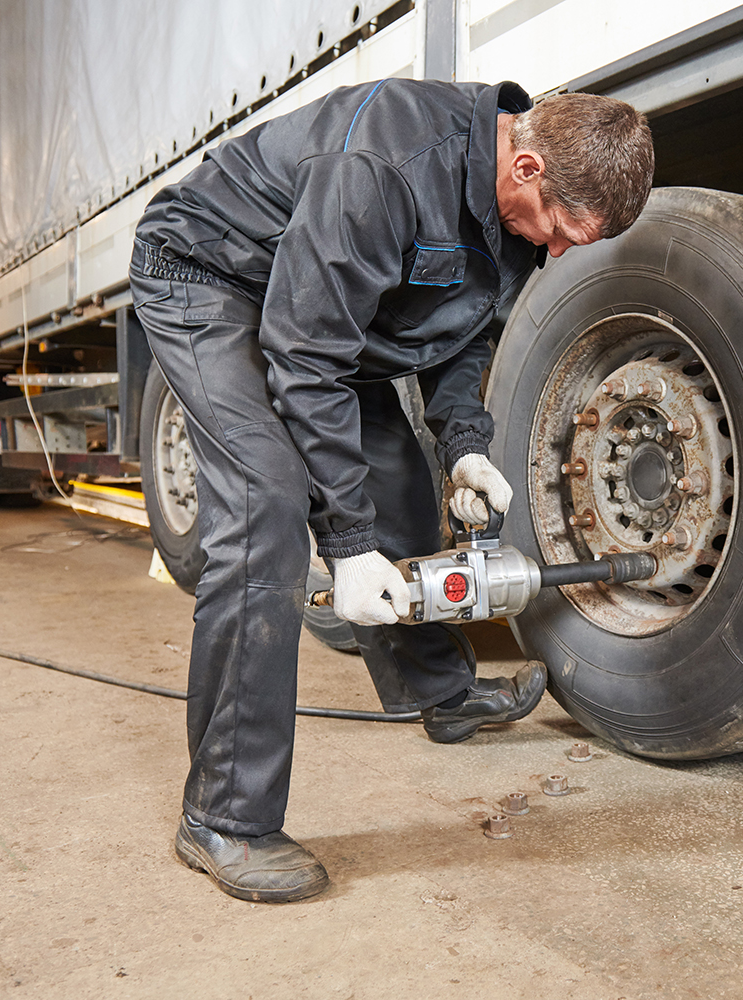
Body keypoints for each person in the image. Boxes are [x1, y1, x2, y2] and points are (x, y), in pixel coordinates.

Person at [128, 78, 654, 903]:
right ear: (524, 167)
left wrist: (466, 449)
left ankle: (436, 693)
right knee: (265, 503)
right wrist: (344, 546)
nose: (556, 251)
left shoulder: (510, 205)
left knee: (399, 476)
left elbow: (458, 334)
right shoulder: (385, 166)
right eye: (559, 232)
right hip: (209, 275)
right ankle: (223, 818)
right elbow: (303, 356)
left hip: (328, 309)